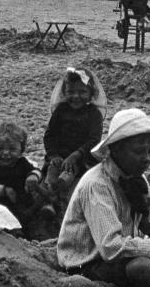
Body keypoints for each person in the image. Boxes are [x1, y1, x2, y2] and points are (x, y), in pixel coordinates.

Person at [57, 108, 150, 287]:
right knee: (142, 268)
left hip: (119, 257)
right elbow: (110, 247)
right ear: (116, 150)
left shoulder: (136, 177)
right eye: (139, 152)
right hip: (87, 263)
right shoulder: (97, 184)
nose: (146, 158)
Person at [43, 68, 106, 202]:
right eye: (71, 92)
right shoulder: (61, 110)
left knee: (71, 175)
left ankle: (61, 191)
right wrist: (54, 155)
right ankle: (50, 196)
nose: (76, 96)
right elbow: (49, 135)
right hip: (60, 155)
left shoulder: (94, 114)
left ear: (91, 94)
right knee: (51, 172)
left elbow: (94, 140)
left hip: (82, 157)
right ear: (64, 93)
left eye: (82, 92)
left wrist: (76, 155)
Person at [0, 122, 45, 238]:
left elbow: (37, 171)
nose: (6, 153)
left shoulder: (22, 164)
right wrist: (2, 190)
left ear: (21, 150)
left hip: (21, 209)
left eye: (12, 149)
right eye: (0, 148)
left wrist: (33, 177)